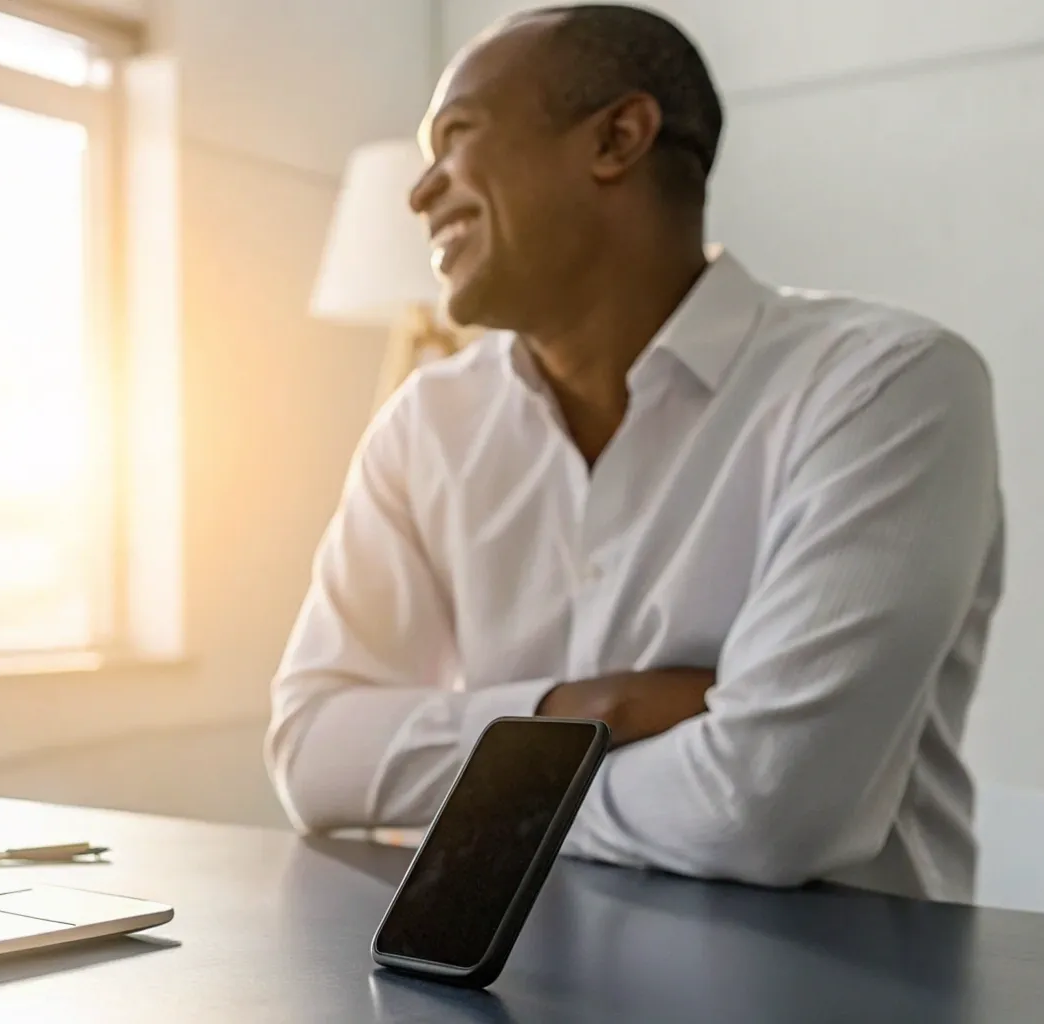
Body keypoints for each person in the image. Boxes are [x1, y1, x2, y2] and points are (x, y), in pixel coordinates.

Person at [264, 4, 1002, 901]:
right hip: (512, 975)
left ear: (617, 138)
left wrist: (484, 788)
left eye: (456, 137)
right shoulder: (428, 422)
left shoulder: (887, 388)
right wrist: (597, 710)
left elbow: (758, 809)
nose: (421, 192)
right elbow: (311, 756)